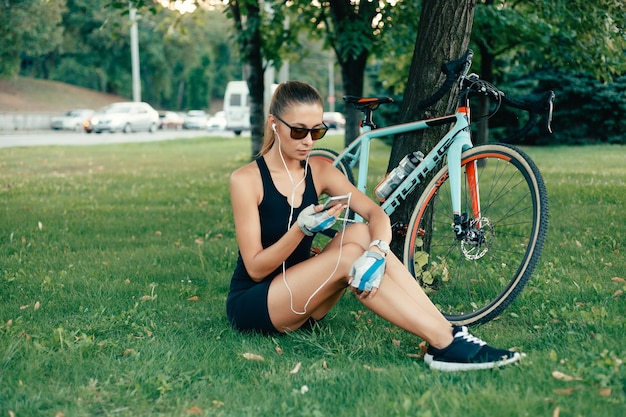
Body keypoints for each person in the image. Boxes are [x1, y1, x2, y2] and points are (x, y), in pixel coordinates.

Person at [226, 80, 522, 372]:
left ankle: (449, 331)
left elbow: (375, 214)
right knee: (347, 255)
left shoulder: (318, 170)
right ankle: (444, 343)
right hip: (257, 303)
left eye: (317, 130)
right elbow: (255, 268)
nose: (308, 141)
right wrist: (300, 230)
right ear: (274, 124)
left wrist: (378, 251)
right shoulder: (246, 180)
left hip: (305, 297)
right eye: (299, 131)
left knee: (359, 233)